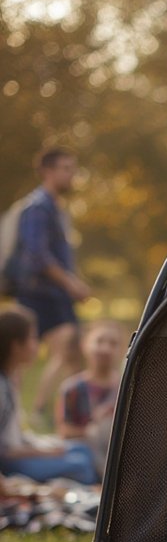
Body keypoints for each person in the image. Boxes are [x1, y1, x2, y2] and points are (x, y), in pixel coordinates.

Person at [10, 147, 91, 420]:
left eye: (73, 168)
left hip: (55, 294)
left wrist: (73, 282)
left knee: (71, 352)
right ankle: (21, 415)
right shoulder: (37, 207)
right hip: (38, 294)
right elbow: (37, 256)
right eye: (66, 168)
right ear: (47, 171)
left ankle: (47, 411)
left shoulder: (55, 208)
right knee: (19, 358)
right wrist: (71, 284)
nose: (72, 175)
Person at [0, 306, 98, 485]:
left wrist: (48, 444)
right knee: (81, 464)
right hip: (12, 463)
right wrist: (45, 452)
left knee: (83, 449)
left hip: (21, 450)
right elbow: (5, 450)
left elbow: (15, 435)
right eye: (32, 338)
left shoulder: (10, 380)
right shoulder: (2, 388)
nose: (37, 344)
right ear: (15, 346)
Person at [55, 319, 124, 477]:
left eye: (113, 343)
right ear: (85, 345)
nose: (105, 348)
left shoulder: (126, 387)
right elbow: (64, 431)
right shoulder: (72, 388)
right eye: (99, 341)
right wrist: (92, 428)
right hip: (88, 457)